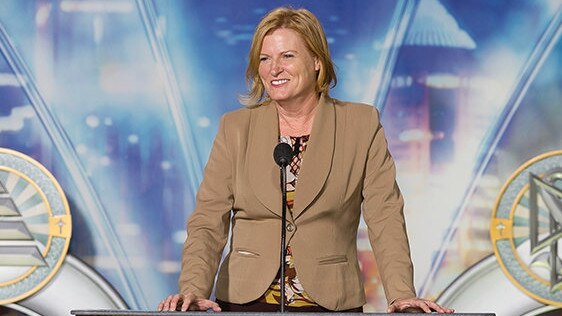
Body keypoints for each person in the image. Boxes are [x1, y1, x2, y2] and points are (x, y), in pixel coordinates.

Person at [158, 6, 454, 314]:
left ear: (316, 61)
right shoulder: (235, 128)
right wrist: (192, 288)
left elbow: (385, 216)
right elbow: (208, 219)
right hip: (245, 302)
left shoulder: (360, 124)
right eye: (265, 58)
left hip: (330, 302)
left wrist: (401, 294)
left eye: (287, 56)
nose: (274, 69)